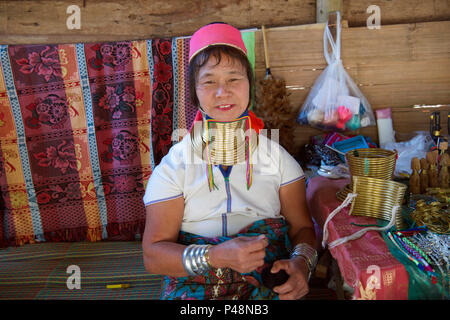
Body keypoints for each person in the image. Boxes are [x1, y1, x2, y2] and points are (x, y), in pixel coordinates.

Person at [142, 22, 317, 300]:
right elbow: (153, 255)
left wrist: (301, 264)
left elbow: (303, 229)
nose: (222, 92)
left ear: (249, 85)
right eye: (209, 81)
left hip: (267, 284)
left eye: (234, 78)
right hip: (196, 288)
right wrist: (215, 256)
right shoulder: (175, 166)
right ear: (195, 92)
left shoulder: (278, 160)